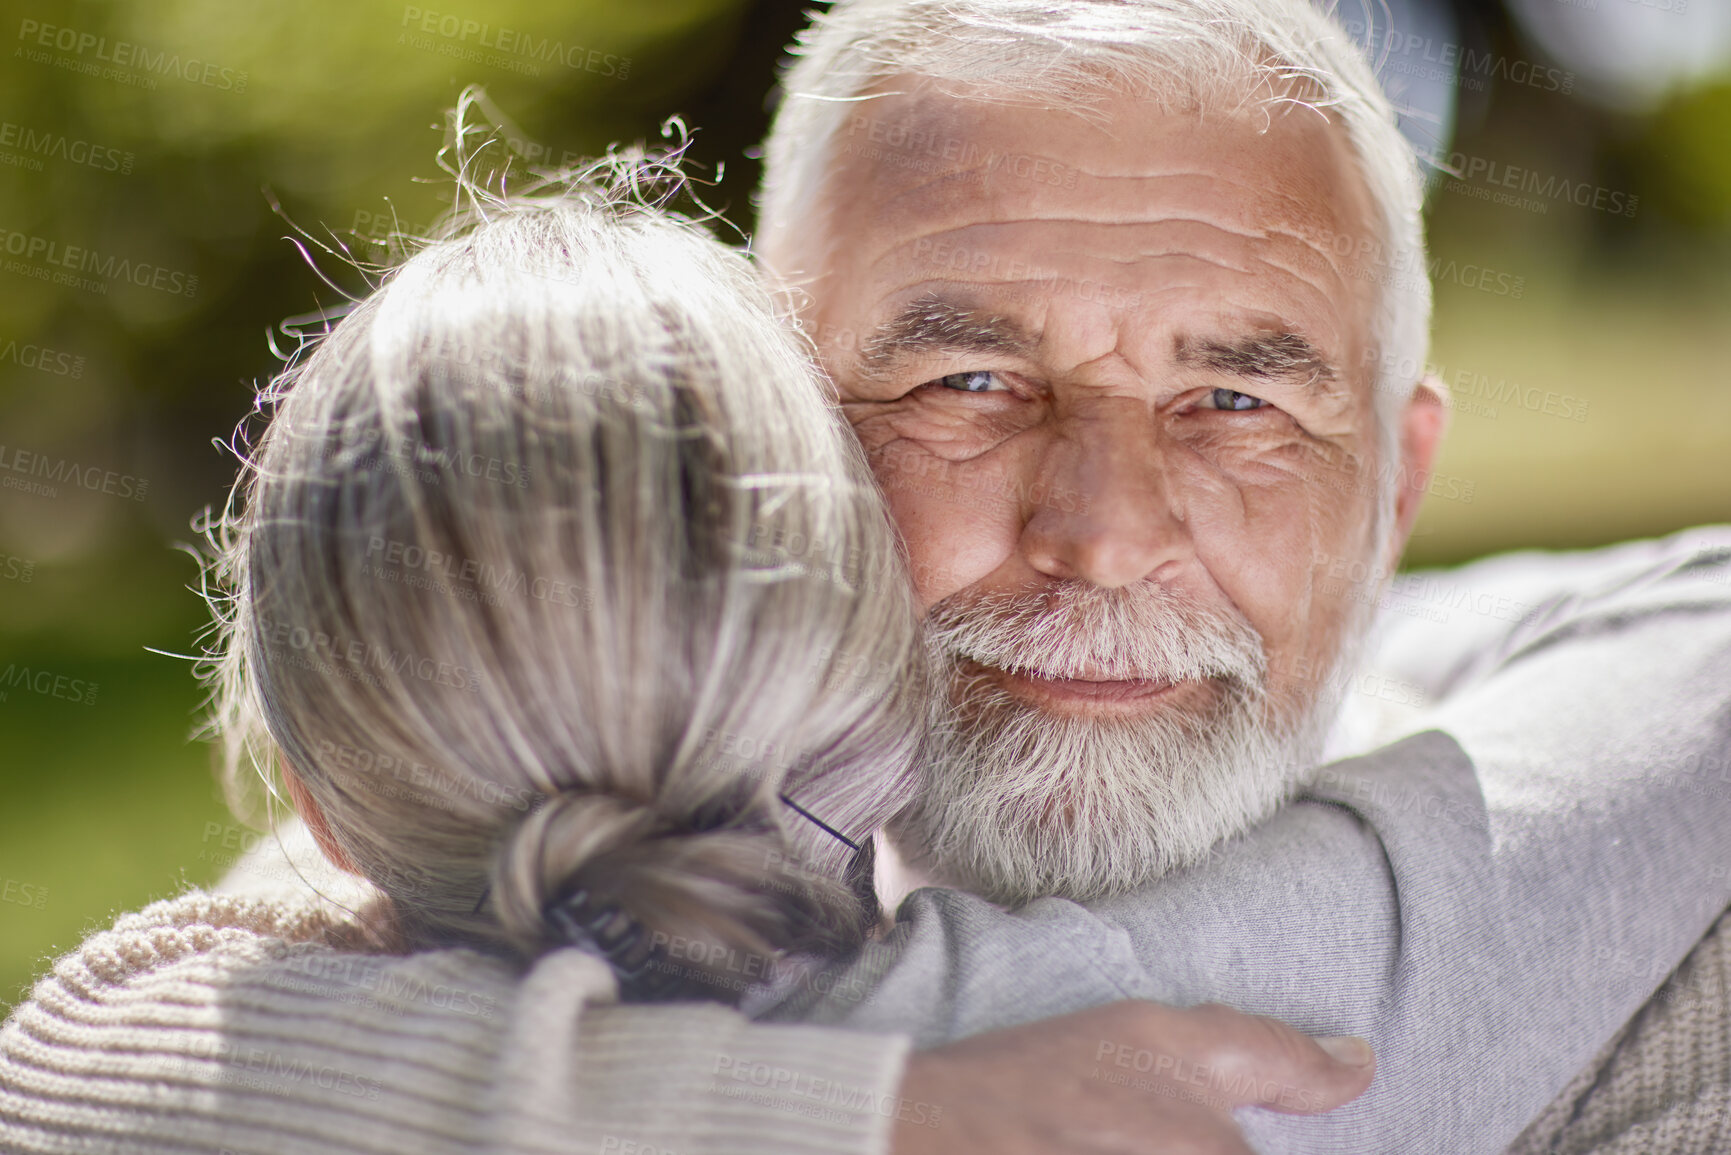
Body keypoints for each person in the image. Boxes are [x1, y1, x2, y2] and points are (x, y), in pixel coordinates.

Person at [7, 0, 1731, 1150]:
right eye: (966, 382)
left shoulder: (1683, 999)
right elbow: (79, 1072)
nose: (1105, 532)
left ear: (1397, 486)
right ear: (777, 425)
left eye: (1237, 401)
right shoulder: (569, 823)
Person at [0, 149, 1376, 1155]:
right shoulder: (1074, 1012)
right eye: (970, 385)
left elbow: (55, 1064)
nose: (1100, 535)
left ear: (323, 813)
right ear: (883, 678)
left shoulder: (247, 1054)